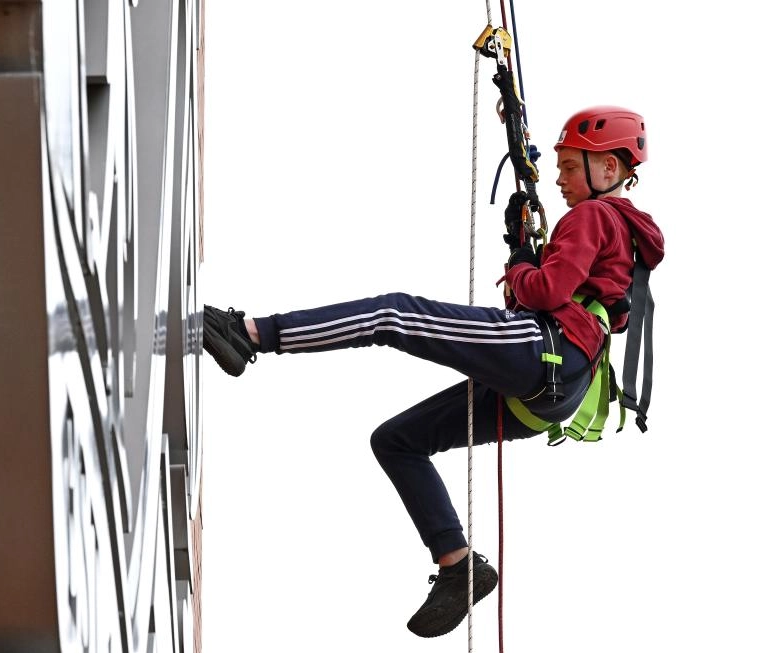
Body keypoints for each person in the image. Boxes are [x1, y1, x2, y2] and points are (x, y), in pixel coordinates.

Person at [202, 105, 664, 639]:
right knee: (397, 440)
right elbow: (566, 296)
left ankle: (253, 334)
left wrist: (518, 261)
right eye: (557, 166)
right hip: (559, 387)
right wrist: (525, 256)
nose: (559, 179)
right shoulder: (627, 240)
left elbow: (543, 293)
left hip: (545, 351)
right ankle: (457, 563)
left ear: (608, 169)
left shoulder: (593, 216)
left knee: (391, 314)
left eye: (568, 166)